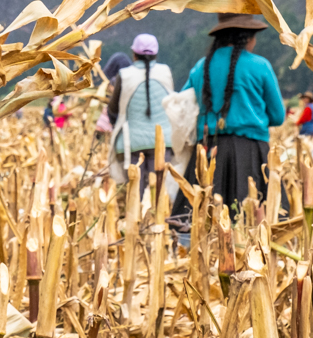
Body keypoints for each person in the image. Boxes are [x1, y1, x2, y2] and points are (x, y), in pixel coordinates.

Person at [183, 12, 286, 212]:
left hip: (207, 152)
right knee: (254, 219)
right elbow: (277, 116)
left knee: (198, 218)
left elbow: (183, 104)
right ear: (246, 37)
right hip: (251, 152)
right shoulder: (260, 66)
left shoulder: (200, 67)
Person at [107, 33, 174, 194]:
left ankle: (138, 219)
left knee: (137, 193)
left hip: (132, 144)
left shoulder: (124, 75)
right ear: (156, 54)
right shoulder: (165, 72)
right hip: (163, 142)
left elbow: (113, 109)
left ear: (134, 54)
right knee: (160, 192)